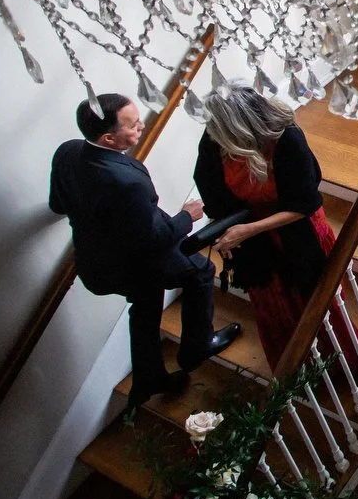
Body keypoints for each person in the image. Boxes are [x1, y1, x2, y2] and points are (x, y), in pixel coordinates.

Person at [50, 94, 241, 408]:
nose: (141, 125)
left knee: (146, 302)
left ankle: (149, 377)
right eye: (132, 124)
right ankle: (198, 345)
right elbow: (157, 239)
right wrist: (187, 216)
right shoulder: (127, 180)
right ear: (109, 138)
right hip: (135, 260)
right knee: (202, 272)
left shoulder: (68, 152)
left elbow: (58, 204)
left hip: (95, 264)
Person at [193, 84, 358, 371]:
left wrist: (247, 230)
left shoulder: (287, 140)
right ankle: (296, 369)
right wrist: (228, 231)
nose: (215, 139)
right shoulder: (212, 141)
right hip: (255, 242)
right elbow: (212, 192)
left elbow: (303, 204)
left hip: (296, 230)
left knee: (317, 302)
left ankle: (341, 363)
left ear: (242, 128)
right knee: (273, 308)